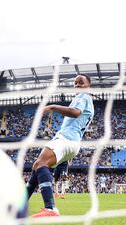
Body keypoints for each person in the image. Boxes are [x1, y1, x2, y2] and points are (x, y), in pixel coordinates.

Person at [26, 74, 94, 218]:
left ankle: (50, 208)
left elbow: (75, 113)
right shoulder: (82, 99)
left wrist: (51, 107)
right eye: (75, 83)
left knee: (41, 163)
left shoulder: (84, 97)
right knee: (37, 165)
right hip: (72, 142)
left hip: (67, 139)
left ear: (89, 85)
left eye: (81, 82)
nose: (77, 85)